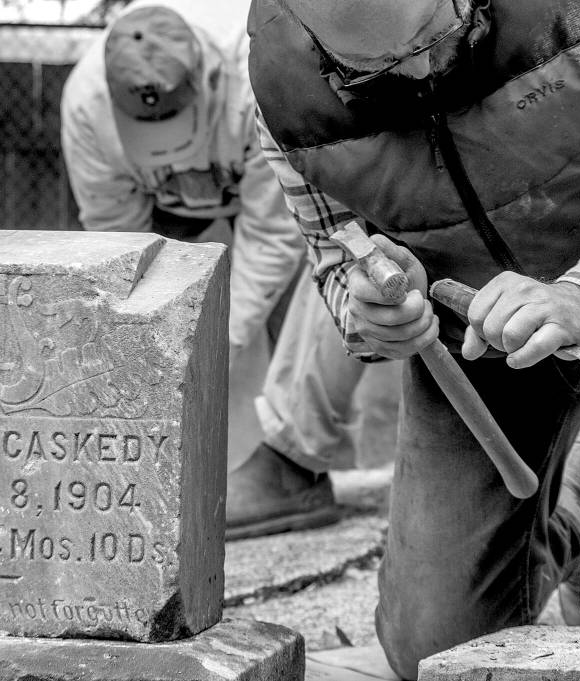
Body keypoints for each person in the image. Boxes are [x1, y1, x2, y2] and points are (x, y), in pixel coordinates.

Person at [247, 0, 580, 676]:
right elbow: (334, 253)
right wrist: (368, 312)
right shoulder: (287, 91)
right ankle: (577, 510)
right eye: (383, 70)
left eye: (439, 34)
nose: (426, 70)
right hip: (475, 346)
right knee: (432, 646)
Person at [61, 0, 401, 538]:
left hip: (271, 200)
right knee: (162, 344)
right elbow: (117, 240)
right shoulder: (86, 107)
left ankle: (292, 463)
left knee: (303, 293)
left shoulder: (253, 77)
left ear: (207, 78)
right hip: (180, 222)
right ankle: (158, 470)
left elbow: (274, 237)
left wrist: (219, 337)